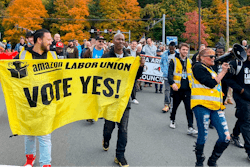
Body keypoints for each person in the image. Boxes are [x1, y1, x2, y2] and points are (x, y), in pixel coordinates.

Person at [14, 29, 57, 167]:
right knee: (29, 133)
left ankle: (46, 163)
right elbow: (13, 74)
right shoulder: (24, 54)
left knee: (44, 134)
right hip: (29, 101)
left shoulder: (53, 55)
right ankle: (30, 159)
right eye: (49, 39)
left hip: (46, 101)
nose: (52, 41)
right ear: (39, 40)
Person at [102, 33, 144, 167]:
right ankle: (106, 139)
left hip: (124, 99)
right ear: (113, 41)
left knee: (123, 129)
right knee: (109, 127)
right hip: (109, 99)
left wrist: (141, 66)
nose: (121, 41)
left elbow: (135, 77)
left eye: (123, 40)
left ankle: (120, 155)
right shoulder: (106, 57)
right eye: (118, 39)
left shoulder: (129, 58)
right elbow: (99, 74)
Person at [192, 48, 230, 167]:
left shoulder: (211, 69)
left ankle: (212, 160)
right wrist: (223, 72)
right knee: (203, 135)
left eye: (214, 56)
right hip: (201, 105)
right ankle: (199, 160)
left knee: (226, 137)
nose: (214, 58)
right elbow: (211, 83)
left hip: (215, 107)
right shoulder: (198, 67)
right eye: (211, 56)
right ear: (202, 57)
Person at [225, 45, 250, 158]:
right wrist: (240, 90)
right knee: (246, 121)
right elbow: (227, 79)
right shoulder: (237, 63)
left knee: (243, 117)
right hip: (241, 96)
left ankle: (234, 135)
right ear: (247, 52)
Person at [168, 43, 197, 135]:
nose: (185, 51)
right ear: (179, 50)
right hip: (177, 89)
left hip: (187, 89)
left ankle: (190, 127)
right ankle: (172, 120)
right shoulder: (174, 60)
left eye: (186, 50)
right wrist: (172, 84)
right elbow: (169, 74)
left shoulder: (189, 61)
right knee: (174, 107)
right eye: (183, 49)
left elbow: (192, 75)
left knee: (189, 109)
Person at [160, 41, 178, 113]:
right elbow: (161, 63)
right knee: (167, 90)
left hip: (175, 76)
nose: (171, 50)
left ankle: (173, 104)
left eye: (172, 49)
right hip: (167, 75)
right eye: (170, 49)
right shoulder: (165, 54)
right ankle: (166, 104)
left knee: (174, 91)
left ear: (175, 48)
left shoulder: (178, 55)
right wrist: (163, 70)